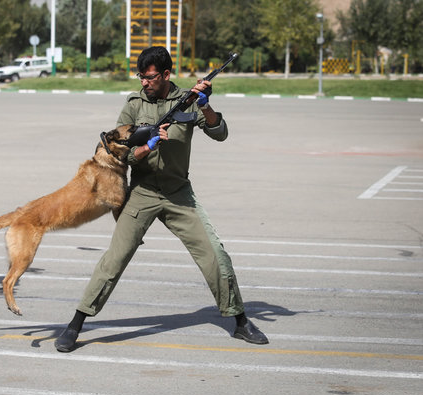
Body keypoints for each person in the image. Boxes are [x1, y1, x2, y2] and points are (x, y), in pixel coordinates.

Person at [54, 46, 267, 352]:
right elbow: (119, 153)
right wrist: (145, 148)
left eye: (150, 77)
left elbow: (219, 133)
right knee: (113, 260)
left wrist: (205, 106)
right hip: (142, 193)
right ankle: (75, 325)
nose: (144, 82)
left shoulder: (188, 101)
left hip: (179, 193)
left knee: (215, 255)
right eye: (141, 76)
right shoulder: (133, 104)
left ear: (166, 74)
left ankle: (241, 321)